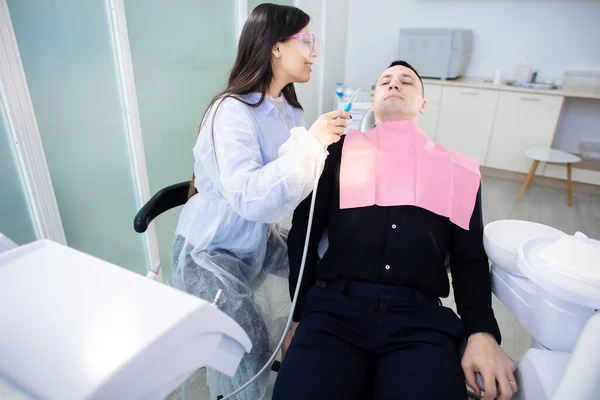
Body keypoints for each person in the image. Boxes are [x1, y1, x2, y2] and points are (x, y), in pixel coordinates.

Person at [273, 61, 517, 400]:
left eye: (407, 82)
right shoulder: (333, 154)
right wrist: (298, 316)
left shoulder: (457, 169)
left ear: (423, 104)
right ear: (372, 102)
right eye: (385, 81)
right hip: (334, 311)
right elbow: (304, 233)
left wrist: (481, 333)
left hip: (421, 321)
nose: (394, 84)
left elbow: (469, 259)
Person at [170, 4, 350, 400]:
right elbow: (253, 198)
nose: (314, 52)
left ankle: (320, 349)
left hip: (255, 237)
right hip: (210, 252)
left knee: (325, 263)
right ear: (274, 47)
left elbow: (294, 184)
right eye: (307, 41)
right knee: (247, 353)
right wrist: (313, 142)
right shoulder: (230, 112)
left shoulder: (287, 110)